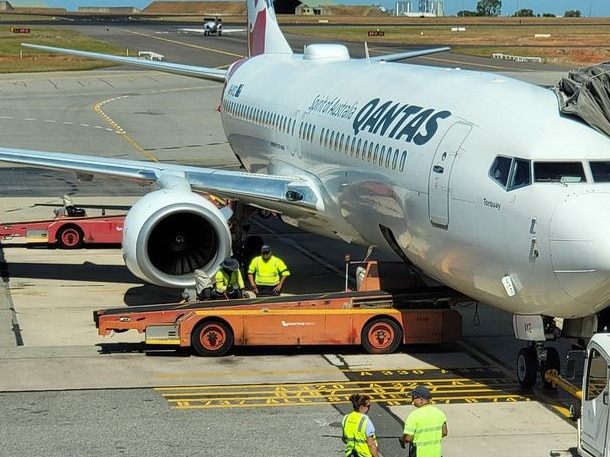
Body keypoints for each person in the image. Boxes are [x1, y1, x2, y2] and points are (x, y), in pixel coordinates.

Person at [399, 385, 447, 457]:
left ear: (421, 400)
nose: (412, 401)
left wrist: (402, 440)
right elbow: (444, 433)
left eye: (414, 398)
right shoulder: (440, 414)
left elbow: (408, 438)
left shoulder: (414, 416)